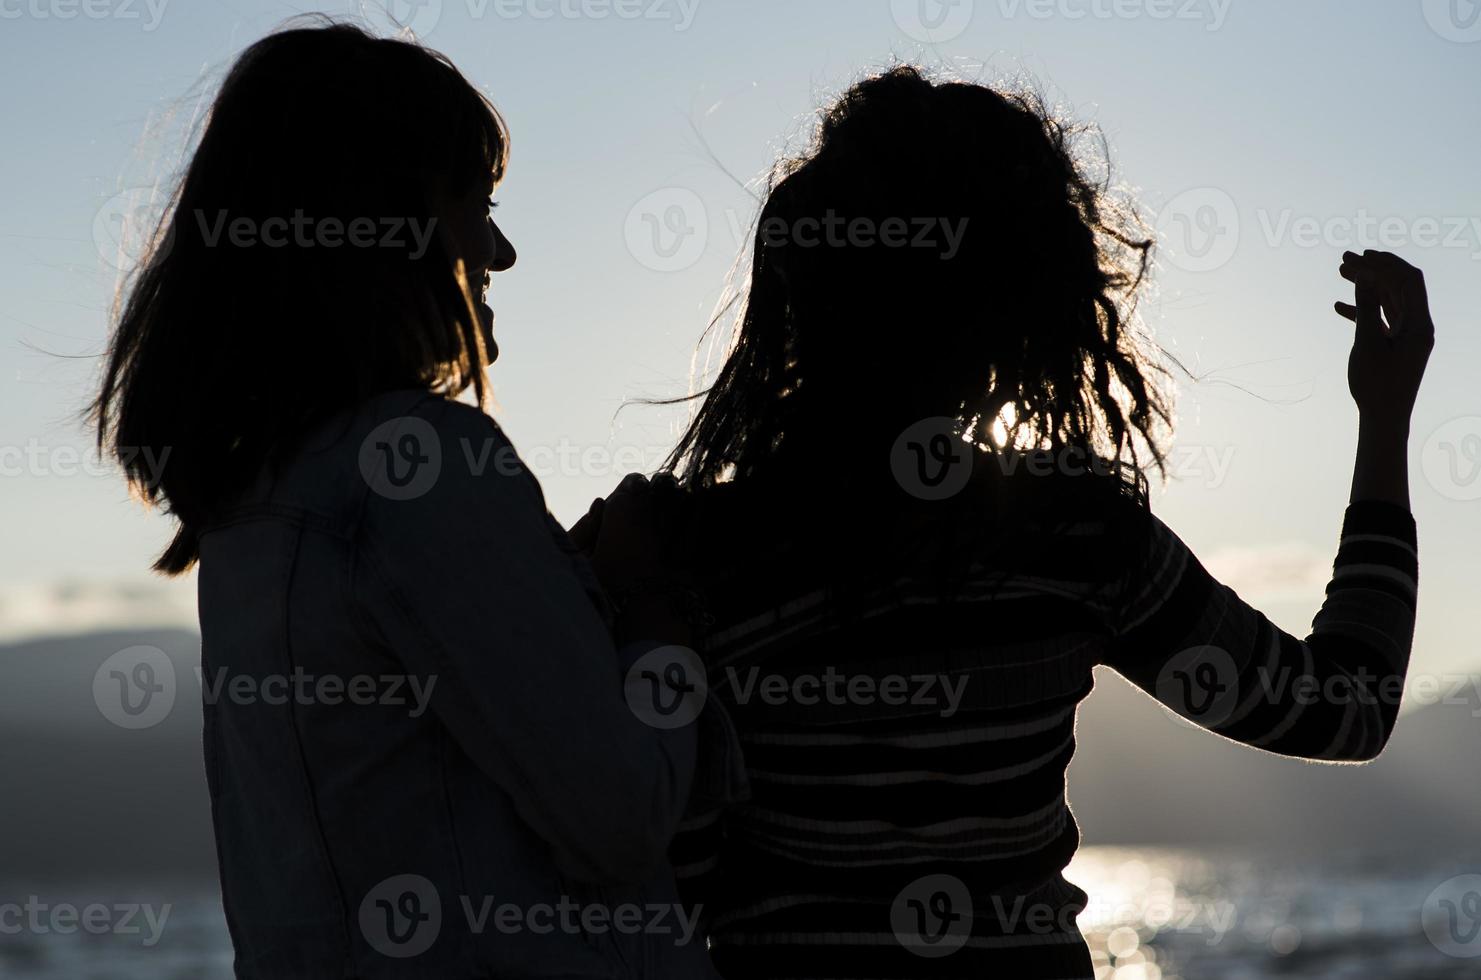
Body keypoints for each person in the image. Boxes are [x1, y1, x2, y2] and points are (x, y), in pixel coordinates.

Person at [582, 66, 1432, 978]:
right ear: (1031, 309)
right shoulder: (1071, 543)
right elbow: (1345, 711)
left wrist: (636, 610)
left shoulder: (682, 560)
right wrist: (1383, 420)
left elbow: (647, 874)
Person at [90, 20, 722, 979]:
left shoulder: (255, 503)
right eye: (474, 204)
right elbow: (620, 816)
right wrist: (648, 610)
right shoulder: (422, 470)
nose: (499, 252)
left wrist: (558, 597)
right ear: (386, 229)